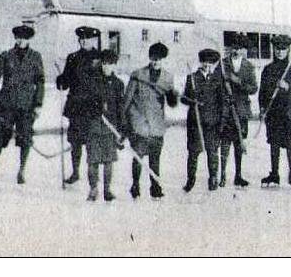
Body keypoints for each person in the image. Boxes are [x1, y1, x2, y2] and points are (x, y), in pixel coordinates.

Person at [0, 24, 45, 185]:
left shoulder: (35, 57)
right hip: (6, 104)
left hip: (26, 105)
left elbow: (40, 82)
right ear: (15, 38)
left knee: (25, 138)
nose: (21, 41)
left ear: (29, 39)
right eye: (19, 37)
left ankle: (21, 170)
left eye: (25, 38)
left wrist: (38, 104)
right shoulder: (6, 56)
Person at [123, 41, 178, 199]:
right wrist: (125, 121)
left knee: (155, 159)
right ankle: (135, 185)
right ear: (149, 58)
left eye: (159, 59)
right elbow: (127, 100)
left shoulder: (167, 78)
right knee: (138, 157)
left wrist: (172, 96)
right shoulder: (138, 75)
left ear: (163, 60)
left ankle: (155, 186)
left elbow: (171, 103)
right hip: (139, 123)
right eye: (154, 58)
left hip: (157, 125)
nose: (156, 62)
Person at [258, 34, 291, 186]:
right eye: (277, 49)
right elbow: (262, 92)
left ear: (288, 50)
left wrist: (288, 86)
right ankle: (274, 174)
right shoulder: (267, 69)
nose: (279, 52)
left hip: (288, 112)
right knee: (274, 144)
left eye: (283, 49)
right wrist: (261, 109)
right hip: (273, 113)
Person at [56, 26, 101, 185]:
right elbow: (66, 81)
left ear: (93, 40)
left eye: (86, 39)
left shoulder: (99, 58)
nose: (83, 41)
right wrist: (61, 80)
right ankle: (75, 172)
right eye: (81, 39)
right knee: (75, 142)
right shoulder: (72, 57)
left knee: (91, 142)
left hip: (91, 106)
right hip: (75, 106)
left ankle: (92, 177)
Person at [80, 48, 126, 202]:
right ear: (101, 64)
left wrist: (122, 130)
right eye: (105, 64)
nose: (107, 67)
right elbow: (83, 103)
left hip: (110, 128)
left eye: (111, 64)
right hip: (93, 126)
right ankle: (93, 189)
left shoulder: (118, 84)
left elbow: (121, 108)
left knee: (108, 161)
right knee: (92, 160)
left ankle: (107, 189)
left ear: (115, 66)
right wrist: (92, 107)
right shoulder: (92, 81)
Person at [182, 48, 227, 192]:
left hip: (212, 123)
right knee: (193, 153)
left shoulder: (217, 80)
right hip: (196, 123)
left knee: (212, 152)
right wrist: (192, 100)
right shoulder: (192, 78)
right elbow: (184, 98)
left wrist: (221, 122)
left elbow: (221, 102)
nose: (207, 66)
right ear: (200, 62)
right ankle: (190, 179)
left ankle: (213, 178)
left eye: (210, 63)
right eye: (204, 63)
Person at [218, 33, 258, 188]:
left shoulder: (248, 66)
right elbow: (216, 85)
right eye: (233, 47)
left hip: (241, 111)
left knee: (239, 143)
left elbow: (253, 88)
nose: (236, 50)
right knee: (225, 143)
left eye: (239, 48)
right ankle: (222, 175)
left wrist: (238, 81)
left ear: (243, 49)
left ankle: (239, 175)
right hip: (226, 111)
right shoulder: (222, 64)